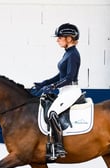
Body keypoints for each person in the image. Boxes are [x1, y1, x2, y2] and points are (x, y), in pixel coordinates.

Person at [32, 23, 82, 160]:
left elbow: (69, 77)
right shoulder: (67, 54)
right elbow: (60, 76)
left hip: (71, 91)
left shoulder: (73, 55)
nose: (57, 40)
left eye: (60, 37)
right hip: (65, 91)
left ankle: (58, 147)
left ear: (69, 38)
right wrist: (44, 83)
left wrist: (53, 87)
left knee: (52, 112)